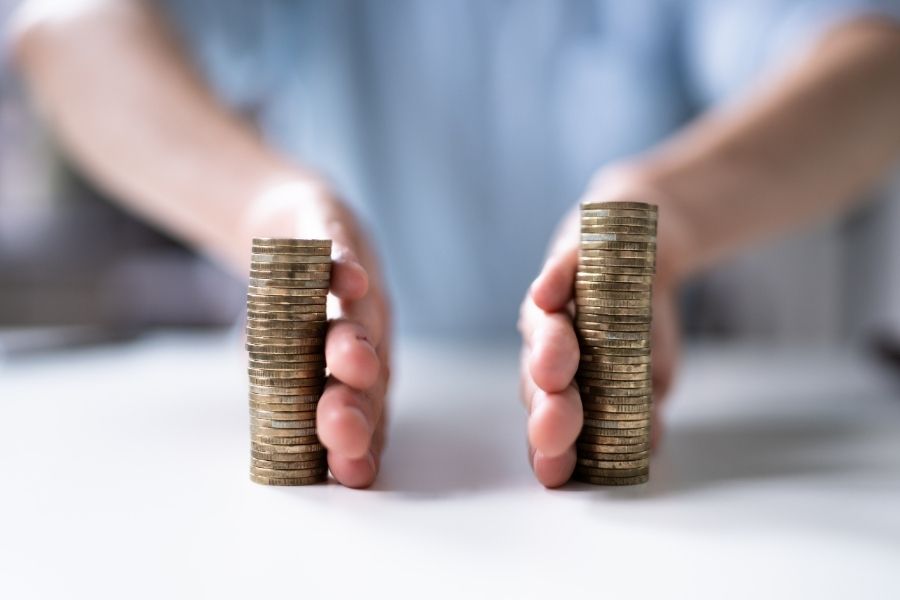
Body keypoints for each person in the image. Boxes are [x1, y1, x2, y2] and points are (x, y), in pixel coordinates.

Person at [8, 0, 900, 488]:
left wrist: (669, 212)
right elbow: (73, 27)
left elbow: (873, 63)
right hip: (340, 361)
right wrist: (266, 205)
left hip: (680, 400)